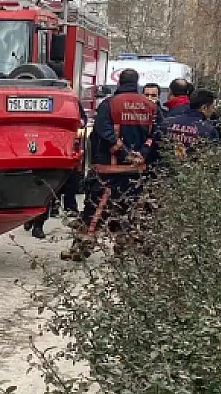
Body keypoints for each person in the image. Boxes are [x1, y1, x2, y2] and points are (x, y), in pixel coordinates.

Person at [63, 68, 161, 259]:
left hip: (109, 170)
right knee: (130, 210)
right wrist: (142, 154)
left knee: (95, 211)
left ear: (119, 83)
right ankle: (123, 251)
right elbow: (155, 134)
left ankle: (81, 249)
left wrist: (123, 153)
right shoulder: (150, 107)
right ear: (137, 83)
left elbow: (104, 133)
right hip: (136, 170)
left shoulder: (109, 105)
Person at [25, 98, 86, 239]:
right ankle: (35, 222)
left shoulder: (72, 102)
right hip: (43, 149)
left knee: (56, 187)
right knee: (45, 188)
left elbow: (83, 119)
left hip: (64, 150)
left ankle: (36, 221)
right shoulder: (43, 101)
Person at [161, 88, 221, 161]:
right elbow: (212, 160)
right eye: (212, 107)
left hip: (166, 169)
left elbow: (156, 151)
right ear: (204, 108)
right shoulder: (209, 130)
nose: (213, 110)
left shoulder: (167, 122)